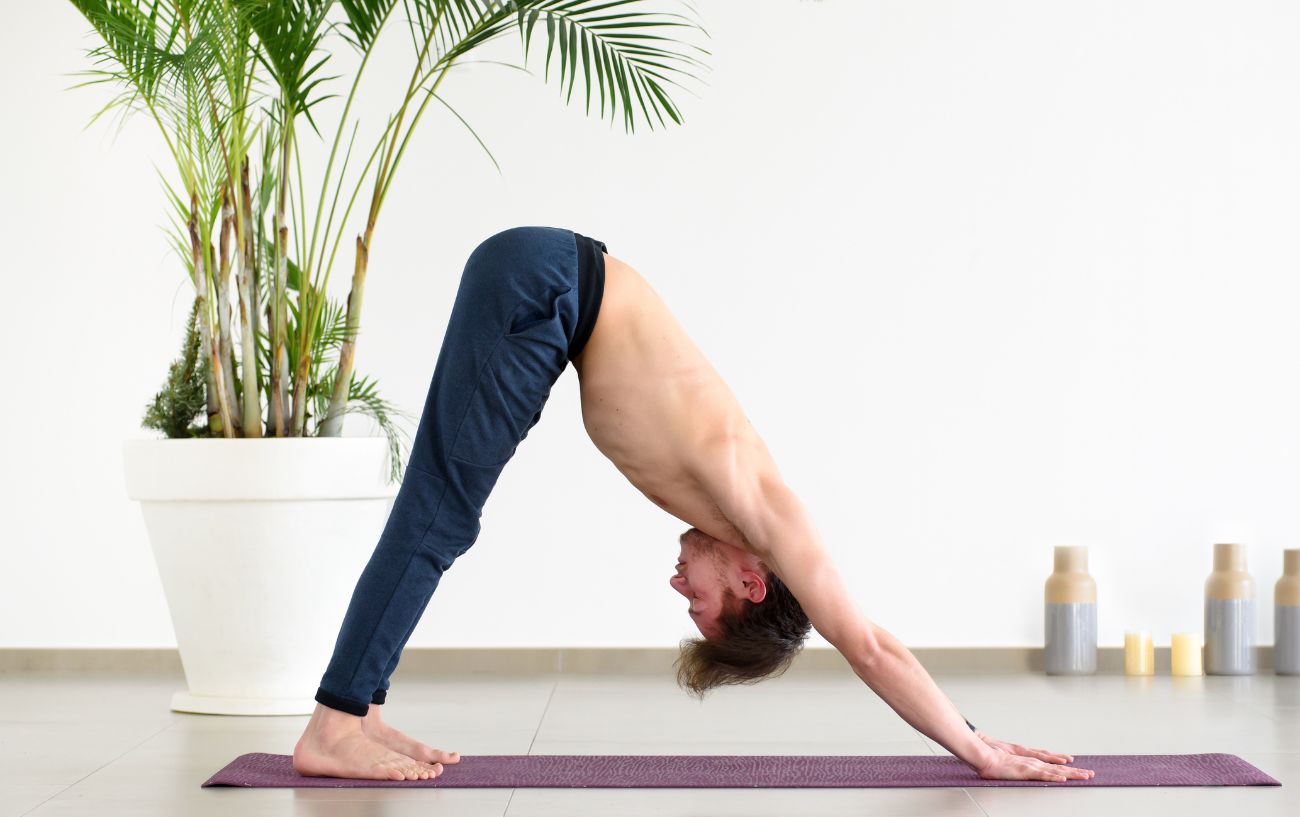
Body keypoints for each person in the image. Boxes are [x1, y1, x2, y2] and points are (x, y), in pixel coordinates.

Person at [292, 226, 1095, 784]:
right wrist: (975, 746)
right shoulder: (769, 515)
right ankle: (334, 721)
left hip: (550, 292)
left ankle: (359, 710)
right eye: (702, 605)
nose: (680, 588)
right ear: (753, 585)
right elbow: (869, 644)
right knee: (439, 514)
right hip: (547, 285)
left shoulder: (740, 512)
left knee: (445, 513)